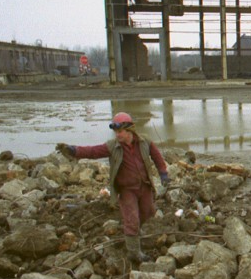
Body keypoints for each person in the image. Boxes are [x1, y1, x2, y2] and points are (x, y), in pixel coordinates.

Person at [56, 112, 170, 263]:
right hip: (126, 190)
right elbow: (92, 151)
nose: (117, 135)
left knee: (148, 212)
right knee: (131, 220)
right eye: (116, 132)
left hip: (144, 186)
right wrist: (74, 150)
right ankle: (134, 253)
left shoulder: (145, 142)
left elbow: (157, 157)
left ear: (130, 130)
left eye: (120, 131)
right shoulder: (112, 146)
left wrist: (163, 174)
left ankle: (135, 230)